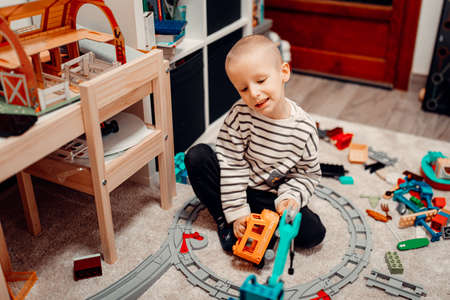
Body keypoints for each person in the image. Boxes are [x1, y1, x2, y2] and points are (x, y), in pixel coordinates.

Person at [185, 35, 325, 252]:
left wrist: (290, 198)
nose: (254, 94)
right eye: (243, 89)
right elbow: (231, 164)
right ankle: (226, 221)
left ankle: (264, 227)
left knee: (314, 233)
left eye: (260, 81)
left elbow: (307, 174)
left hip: (271, 194)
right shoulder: (240, 115)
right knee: (197, 157)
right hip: (235, 186)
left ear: (284, 73)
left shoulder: (304, 128)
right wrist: (237, 212)